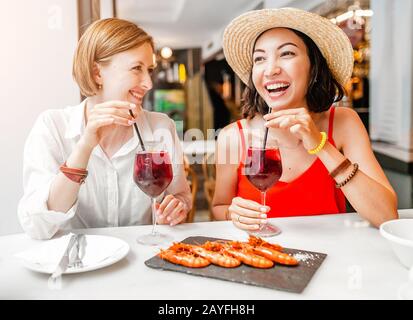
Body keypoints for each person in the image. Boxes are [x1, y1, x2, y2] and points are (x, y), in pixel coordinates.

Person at [212, 8, 398, 230]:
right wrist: (232, 213)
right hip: (262, 258)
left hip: (333, 258)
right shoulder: (232, 137)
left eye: (287, 53)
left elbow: (387, 216)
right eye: (260, 58)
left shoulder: (343, 123)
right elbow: (219, 206)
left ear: (314, 67)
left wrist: (319, 144)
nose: (271, 69)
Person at [18, 18, 191, 239]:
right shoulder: (52, 127)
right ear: (97, 73)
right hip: (77, 264)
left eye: (149, 70)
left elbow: (181, 195)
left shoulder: (161, 127)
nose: (148, 83)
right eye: (136, 68)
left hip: (141, 260)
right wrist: (85, 145)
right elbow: (38, 227)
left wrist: (177, 207)